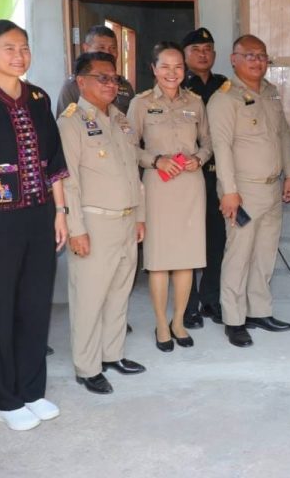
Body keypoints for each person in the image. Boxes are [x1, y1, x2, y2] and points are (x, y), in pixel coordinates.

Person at [0, 20, 69, 431]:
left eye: (24, 47)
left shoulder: (38, 97)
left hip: (40, 215)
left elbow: (54, 161)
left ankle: (32, 391)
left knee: (35, 306)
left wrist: (60, 212)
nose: (19, 55)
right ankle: (5, 399)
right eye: (8, 47)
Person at [58, 52, 146, 394]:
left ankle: (112, 355)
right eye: (102, 78)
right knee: (89, 298)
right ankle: (87, 366)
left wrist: (139, 216)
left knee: (119, 292)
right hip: (94, 224)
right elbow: (69, 181)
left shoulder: (121, 119)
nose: (111, 84)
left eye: (114, 78)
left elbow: (133, 173)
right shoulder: (71, 122)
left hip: (126, 219)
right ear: (81, 82)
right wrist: (76, 229)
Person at [207, 34, 290, 348]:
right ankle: (234, 320)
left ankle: (259, 311)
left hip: (272, 189)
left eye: (261, 55)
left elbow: (283, 136)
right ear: (234, 59)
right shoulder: (224, 99)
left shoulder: (271, 93)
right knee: (239, 255)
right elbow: (221, 148)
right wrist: (229, 192)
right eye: (250, 55)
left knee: (264, 254)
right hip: (243, 192)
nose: (257, 61)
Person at [127, 42, 211, 352]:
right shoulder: (141, 104)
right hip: (158, 187)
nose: (172, 73)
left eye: (177, 67)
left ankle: (178, 322)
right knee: (160, 260)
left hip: (190, 185)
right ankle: (162, 323)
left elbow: (208, 142)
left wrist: (199, 159)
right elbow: (128, 147)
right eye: (165, 66)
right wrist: (155, 160)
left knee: (187, 259)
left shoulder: (195, 103)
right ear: (154, 69)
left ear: (184, 70)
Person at [181, 27, 228, 329]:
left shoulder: (225, 85)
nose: (203, 54)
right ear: (185, 55)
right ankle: (188, 305)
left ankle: (211, 299)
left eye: (207, 49)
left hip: (219, 175)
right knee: (187, 241)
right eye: (196, 49)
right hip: (189, 175)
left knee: (216, 239)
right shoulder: (178, 86)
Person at [56, 25, 135, 117]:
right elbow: (66, 121)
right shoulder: (73, 86)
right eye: (101, 48)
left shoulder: (125, 85)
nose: (107, 53)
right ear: (86, 48)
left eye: (113, 48)